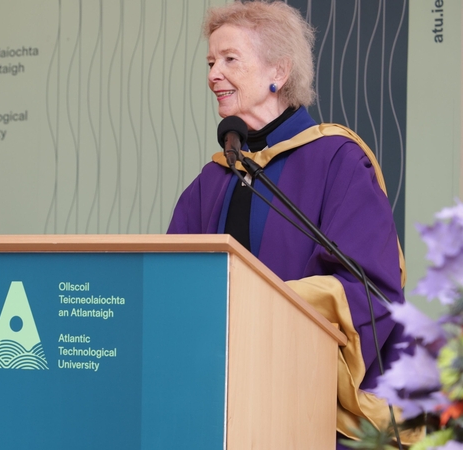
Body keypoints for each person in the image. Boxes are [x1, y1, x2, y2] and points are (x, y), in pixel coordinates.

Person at [168, 2, 415, 448]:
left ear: (278, 72)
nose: (213, 75)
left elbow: (368, 288)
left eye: (229, 59)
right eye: (210, 62)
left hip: (309, 406)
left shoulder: (336, 160)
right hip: (222, 402)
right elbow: (173, 282)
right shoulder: (213, 180)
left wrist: (261, 309)